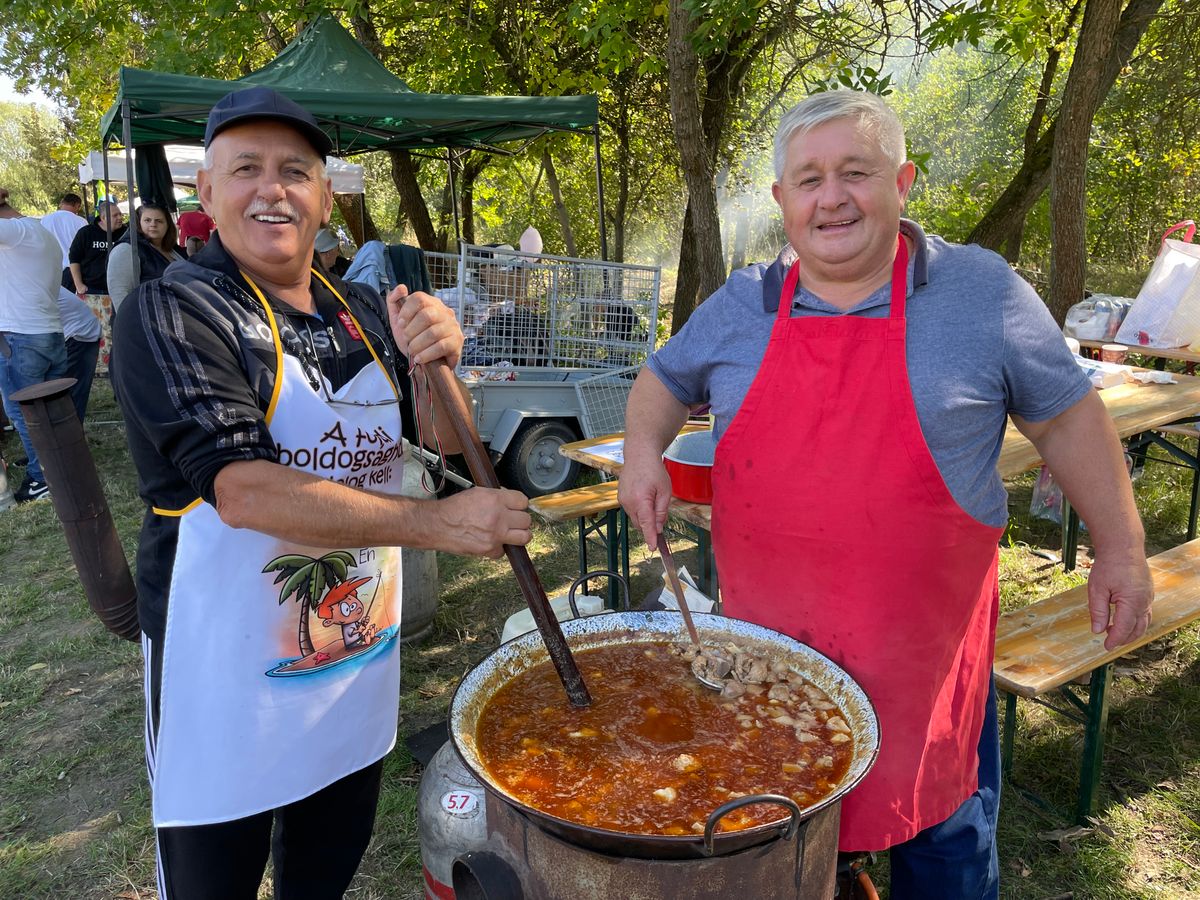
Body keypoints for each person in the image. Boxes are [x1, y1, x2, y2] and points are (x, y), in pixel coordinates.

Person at [618, 90, 1153, 899]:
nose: (831, 197)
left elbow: (1070, 418)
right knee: (788, 855)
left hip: (923, 672)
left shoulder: (983, 294)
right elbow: (661, 378)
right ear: (782, 201)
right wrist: (641, 454)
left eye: (855, 172)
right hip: (773, 667)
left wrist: (1120, 546)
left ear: (902, 182)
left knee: (944, 849)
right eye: (809, 179)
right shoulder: (742, 304)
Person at [110, 86, 530, 899]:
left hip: (353, 672)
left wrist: (439, 367)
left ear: (324, 194)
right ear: (208, 192)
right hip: (221, 680)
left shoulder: (364, 308)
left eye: (295, 170)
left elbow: (440, 444)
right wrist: (439, 525)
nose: (273, 189)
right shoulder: (172, 311)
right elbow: (244, 493)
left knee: (323, 877)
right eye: (247, 169)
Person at [0, 188, 69, 503]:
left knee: (24, 412)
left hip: (22, 337)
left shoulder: (15, 232)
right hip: (50, 333)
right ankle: (58, 466)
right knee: (53, 410)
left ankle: (42, 479)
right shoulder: (41, 233)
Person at [106, 202, 186, 312]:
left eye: (159, 221)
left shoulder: (173, 249)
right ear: (138, 223)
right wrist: (134, 325)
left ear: (167, 225)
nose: (153, 224)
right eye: (147, 220)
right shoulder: (126, 249)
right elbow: (120, 294)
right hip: (145, 321)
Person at [55, 287, 102, 421]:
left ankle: (70, 437)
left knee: (69, 395)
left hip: (80, 333)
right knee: (67, 394)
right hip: (77, 331)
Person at [68, 200, 126, 297]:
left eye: (120, 214)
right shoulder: (86, 233)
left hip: (119, 288)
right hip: (92, 289)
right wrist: (79, 285)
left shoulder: (126, 233)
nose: (120, 218)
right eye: (115, 215)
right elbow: (74, 259)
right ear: (103, 218)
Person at [40, 192, 88, 268]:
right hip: (73, 267)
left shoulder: (45, 220)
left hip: (52, 266)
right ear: (77, 206)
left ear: (62, 202)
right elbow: (86, 245)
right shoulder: (81, 221)